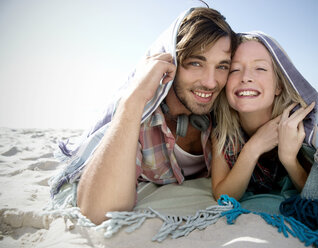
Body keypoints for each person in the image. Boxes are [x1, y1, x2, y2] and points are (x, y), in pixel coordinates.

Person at [49, 7, 236, 225]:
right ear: (172, 61)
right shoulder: (141, 115)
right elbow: (98, 212)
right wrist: (133, 100)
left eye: (222, 66)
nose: (211, 82)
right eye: (196, 62)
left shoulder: (227, 111)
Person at [211, 32, 318, 202]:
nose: (245, 78)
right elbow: (223, 195)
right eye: (235, 69)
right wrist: (254, 147)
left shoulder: (299, 126)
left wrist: (288, 158)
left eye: (260, 68)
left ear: (278, 85)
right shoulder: (224, 132)